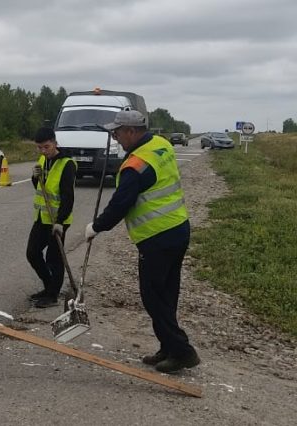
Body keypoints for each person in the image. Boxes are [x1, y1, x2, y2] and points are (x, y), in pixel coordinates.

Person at [86, 109, 200, 373]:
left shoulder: (135, 166)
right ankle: (168, 347)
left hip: (157, 237)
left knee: (153, 297)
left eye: (117, 133)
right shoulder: (161, 144)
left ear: (131, 131)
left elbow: (120, 205)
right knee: (167, 294)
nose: (115, 138)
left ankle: (183, 351)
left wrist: (96, 226)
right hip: (178, 229)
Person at [26, 128, 77, 308]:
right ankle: (49, 286)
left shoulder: (67, 164)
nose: (43, 151)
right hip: (41, 217)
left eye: (46, 147)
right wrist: (35, 177)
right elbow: (40, 187)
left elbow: (68, 197)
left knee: (54, 258)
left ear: (55, 143)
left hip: (58, 220)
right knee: (32, 253)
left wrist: (60, 222)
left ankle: (52, 295)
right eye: (39, 148)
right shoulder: (42, 160)